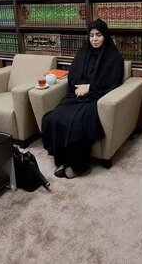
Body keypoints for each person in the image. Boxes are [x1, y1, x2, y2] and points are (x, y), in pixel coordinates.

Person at [41, 19, 124, 179]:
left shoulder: (113, 57)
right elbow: (73, 75)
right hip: (77, 96)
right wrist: (80, 87)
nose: (94, 39)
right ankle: (63, 158)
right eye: (91, 35)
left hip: (96, 98)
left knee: (77, 123)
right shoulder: (83, 52)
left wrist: (90, 87)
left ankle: (79, 166)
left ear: (105, 36)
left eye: (98, 35)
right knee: (54, 117)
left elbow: (112, 81)